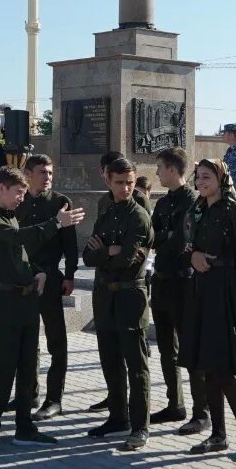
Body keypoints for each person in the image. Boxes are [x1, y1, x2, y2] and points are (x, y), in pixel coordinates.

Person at [0, 166, 84, 458]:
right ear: (1, 189)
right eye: (18, 193)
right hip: (4, 302)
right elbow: (17, 239)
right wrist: (55, 224)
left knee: (27, 367)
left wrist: (40, 272)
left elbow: (20, 257)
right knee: (0, 369)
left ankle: (24, 427)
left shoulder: (9, 216)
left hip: (26, 301)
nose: (21, 199)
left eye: (23, 193)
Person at [180, 158, 236, 462]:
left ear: (220, 178)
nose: (201, 181)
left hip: (225, 293)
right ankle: (218, 436)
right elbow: (186, 247)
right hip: (200, 292)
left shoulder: (233, 211)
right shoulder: (196, 210)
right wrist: (194, 257)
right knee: (207, 370)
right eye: (198, 176)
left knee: (223, 372)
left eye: (207, 176)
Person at [84, 158, 155, 450]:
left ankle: (140, 426)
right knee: (110, 360)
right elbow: (88, 257)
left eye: (129, 183)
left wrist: (108, 252)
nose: (125, 188)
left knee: (136, 364)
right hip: (105, 296)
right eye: (119, 183)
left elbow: (128, 260)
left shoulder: (139, 216)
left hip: (130, 296)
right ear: (108, 182)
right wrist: (109, 252)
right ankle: (117, 417)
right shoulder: (106, 211)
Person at [16, 154, 80, 420]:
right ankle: (29, 393)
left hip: (51, 279)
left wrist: (70, 275)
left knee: (56, 341)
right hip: (22, 278)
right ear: (28, 173)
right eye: (42, 172)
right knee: (26, 340)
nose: (48, 177)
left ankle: (54, 399)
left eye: (50, 173)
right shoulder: (18, 201)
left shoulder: (59, 202)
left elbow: (70, 243)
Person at [149, 147, 208, 434]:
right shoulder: (162, 203)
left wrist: (167, 239)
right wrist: (166, 239)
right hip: (161, 281)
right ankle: (176, 404)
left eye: (160, 167)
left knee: (190, 350)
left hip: (184, 283)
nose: (157, 172)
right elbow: (153, 237)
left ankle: (202, 412)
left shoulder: (193, 201)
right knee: (165, 349)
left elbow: (182, 239)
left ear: (172, 170)